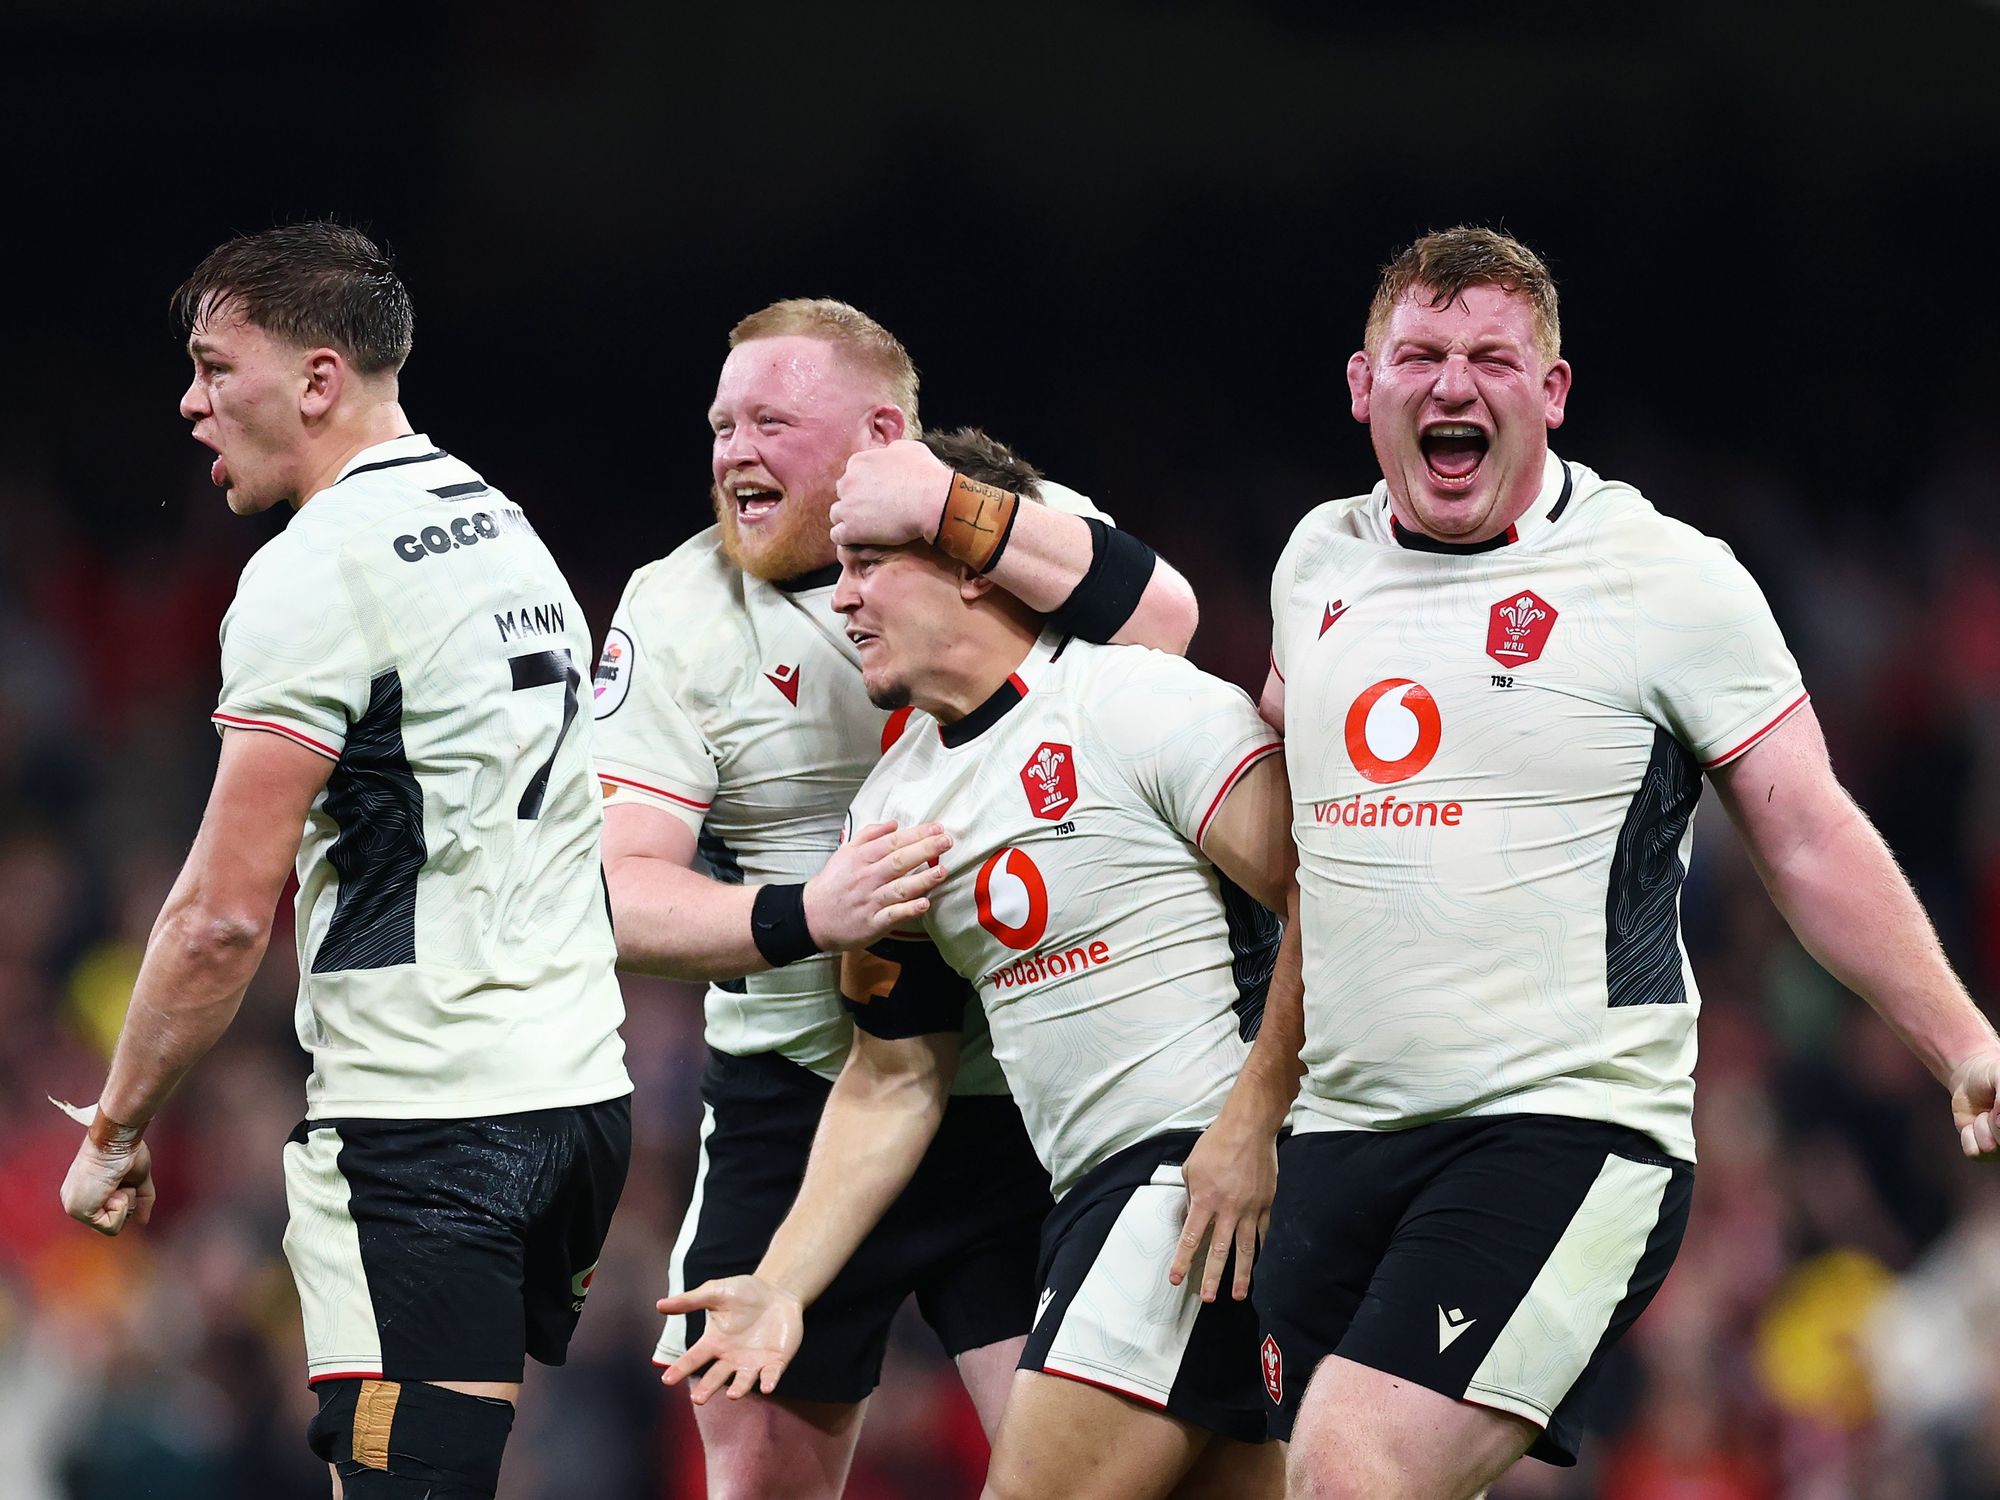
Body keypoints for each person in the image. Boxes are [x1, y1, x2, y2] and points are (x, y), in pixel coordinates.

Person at [1252, 225, 2000, 1500]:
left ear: (1549, 393)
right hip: (1336, 1137)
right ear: (1359, 385)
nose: (1451, 387)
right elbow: (1289, 769)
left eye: (1492, 357)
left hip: (1560, 1131)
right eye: (1418, 354)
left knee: (1350, 1466)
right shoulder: (1314, 560)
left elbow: (1806, 830)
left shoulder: (1660, 578)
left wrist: (1963, 1041)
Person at [54, 223, 632, 1500]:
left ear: (317, 380)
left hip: (427, 1122)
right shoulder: (500, 522)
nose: (190, 402)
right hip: (577, 1098)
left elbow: (216, 916)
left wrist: (118, 1125)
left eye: (215, 368)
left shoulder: (314, 571)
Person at [594, 300, 1201, 1499]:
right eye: (720, 425)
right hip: (805, 1096)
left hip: (1026, 1092)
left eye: (770, 419)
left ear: (883, 434)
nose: (731, 453)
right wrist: (805, 916)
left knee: (1089, 1480)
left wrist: (940, 512)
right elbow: (618, 897)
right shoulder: (675, 607)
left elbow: (1165, 625)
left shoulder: (1008, 530)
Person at [659, 427, 1303, 1500]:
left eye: (867, 564)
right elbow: (892, 1075)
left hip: (1188, 1183)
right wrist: (779, 1285)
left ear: (969, 566)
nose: (840, 600)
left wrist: (1248, 1130)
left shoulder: (1138, 700)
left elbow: (1324, 893)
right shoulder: (894, 812)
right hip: (1108, 1197)